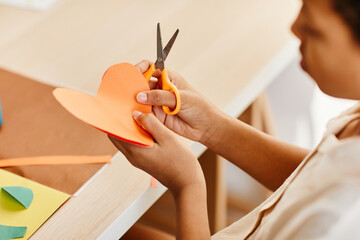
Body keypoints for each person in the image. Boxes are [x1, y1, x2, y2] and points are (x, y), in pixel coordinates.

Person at [109, 0, 360, 239]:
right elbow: (315, 178)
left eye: (312, 28)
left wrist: (188, 185)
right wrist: (211, 126)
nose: (293, 28)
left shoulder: (341, 219)